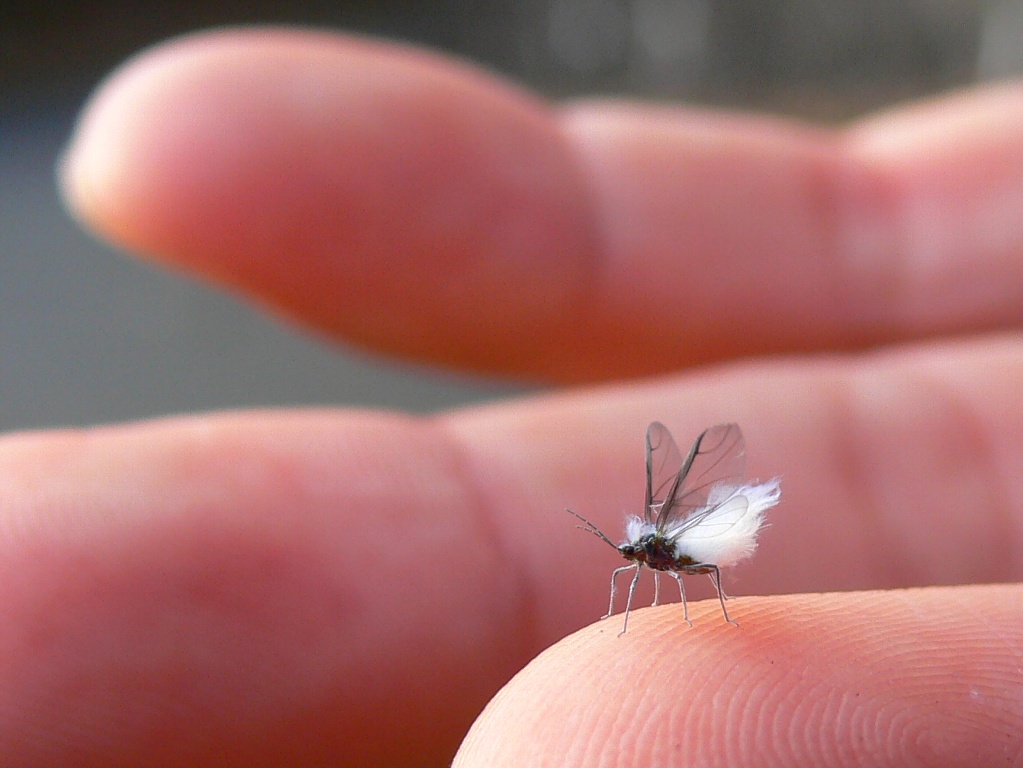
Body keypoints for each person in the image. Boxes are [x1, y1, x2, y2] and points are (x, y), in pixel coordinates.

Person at [5, 26, 1020, 766]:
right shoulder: (650, 553)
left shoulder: (665, 546)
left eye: (630, 559)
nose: (627, 564)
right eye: (629, 559)